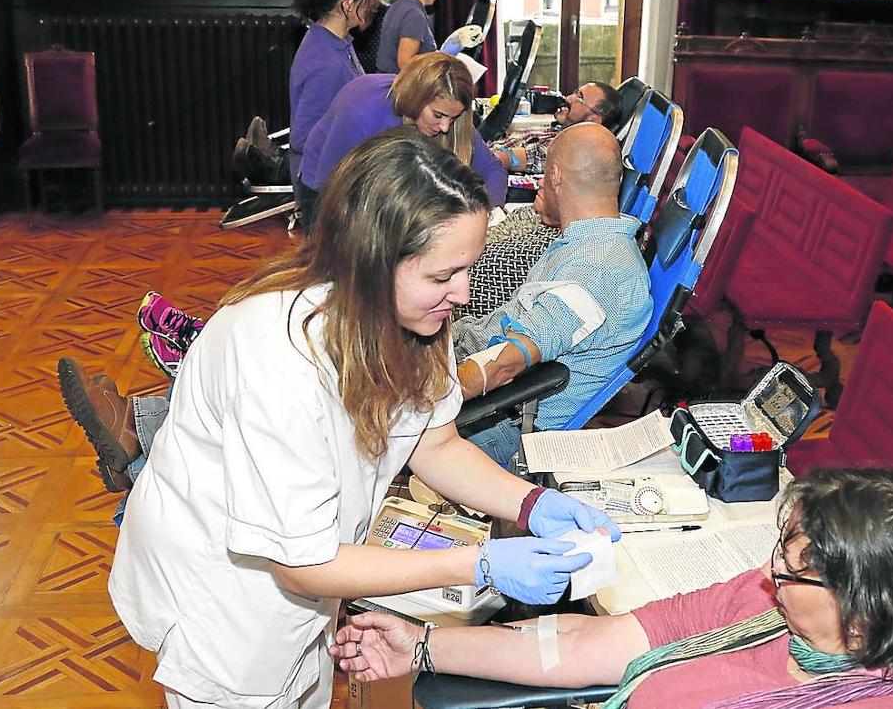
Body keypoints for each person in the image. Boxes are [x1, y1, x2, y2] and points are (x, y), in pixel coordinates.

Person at [104, 128, 621, 709]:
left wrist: (530, 503)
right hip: (227, 606)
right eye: (442, 275)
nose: (464, 291)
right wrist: (480, 564)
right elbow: (303, 562)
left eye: (467, 268)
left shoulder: (414, 319)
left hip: (304, 592)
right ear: (373, 262)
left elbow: (435, 443)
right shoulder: (276, 357)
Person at [334, 468, 893, 709]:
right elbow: (588, 646)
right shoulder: (769, 607)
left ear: (863, 612)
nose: (773, 574)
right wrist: (420, 646)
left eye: (796, 570)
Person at [453, 122, 653, 468]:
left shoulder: (598, 269)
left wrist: (415, 404)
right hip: (477, 376)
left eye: (544, 175)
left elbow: (506, 360)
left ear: (556, 176)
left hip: (497, 419)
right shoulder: (591, 242)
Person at [228, 0, 383, 225]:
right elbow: (304, 137)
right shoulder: (325, 62)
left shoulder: (337, 42)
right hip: (325, 186)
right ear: (348, 4)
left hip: (336, 178)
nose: (373, 4)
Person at [298, 52, 507, 220]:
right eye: (438, 115)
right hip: (329, 191)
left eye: (452, 118)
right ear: (416, 100)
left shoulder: (450, 114)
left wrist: (488, 213)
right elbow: (332, 189)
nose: (445, 127)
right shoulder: (361, 112)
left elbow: (492, 168)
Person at [490, 81, 624, 174]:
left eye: (579, 98)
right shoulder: (558, 129)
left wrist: (477, 155)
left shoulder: (569, 149)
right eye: (575, 92)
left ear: (593, 119)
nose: (568, 98)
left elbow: (504, 158)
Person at [376, 0, 445, 73]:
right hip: (400, 87)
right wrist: (438, 58)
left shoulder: (398, 6)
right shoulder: (414, 14)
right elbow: (405, 62)